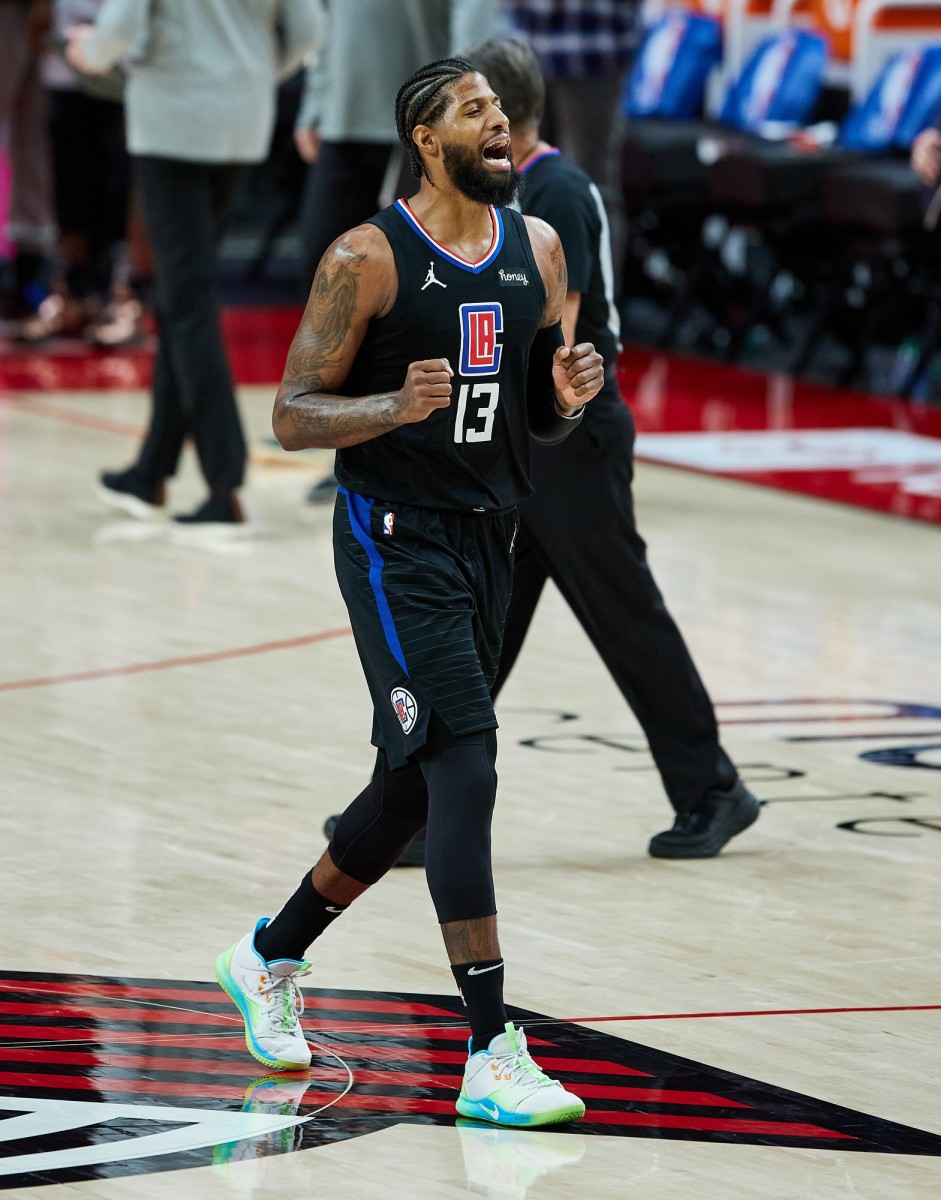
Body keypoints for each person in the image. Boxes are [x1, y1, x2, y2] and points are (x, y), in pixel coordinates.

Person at [215, 56, 604, 1129]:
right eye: (471, 112)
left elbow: (533, 414)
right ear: (426, 141)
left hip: (493, 539)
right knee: (465, 762)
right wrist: (387, 404)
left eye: (499, 112)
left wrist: (565, 400)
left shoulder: (538, 246)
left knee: (414, 780)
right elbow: (292, 413)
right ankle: (490, 1050)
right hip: (394, 544)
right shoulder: (366, 257)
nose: (496, 124)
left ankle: (268, 953)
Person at [324, 36, 761, 866]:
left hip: (567, 435)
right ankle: (407, 801)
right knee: (476, 630)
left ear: (511, 119)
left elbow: (553, 329)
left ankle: (711, 788)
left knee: (622, 614)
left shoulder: (552, 190)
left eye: (480, 109)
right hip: (509, 445)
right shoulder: (504, 191)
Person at [66, 0, 322, 531]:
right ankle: (151, 471)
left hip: (172, 119)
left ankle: (223, 483)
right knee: (184, 292)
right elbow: (307, 30)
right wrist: (248, 70)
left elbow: (119, 28)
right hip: (242, 120)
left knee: (187, 299)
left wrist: (86, 52)